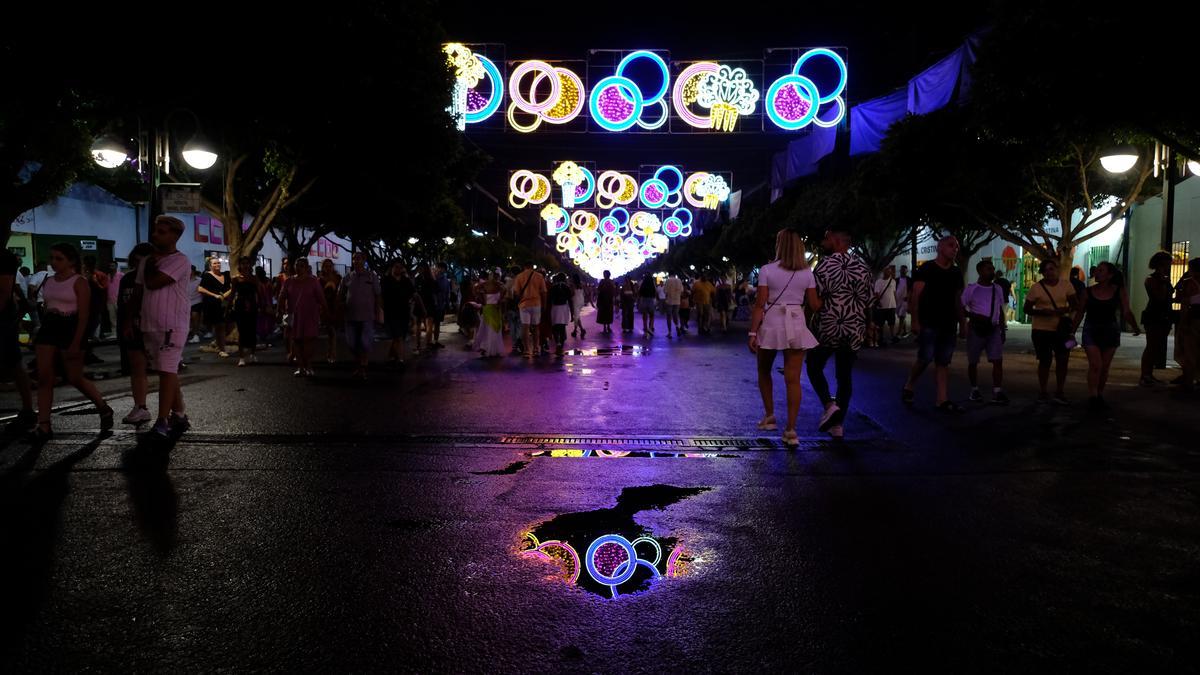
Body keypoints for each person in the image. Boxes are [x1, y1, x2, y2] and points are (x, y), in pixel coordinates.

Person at [28, 243, 114, 441]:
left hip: (71, 327)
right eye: (52, 258)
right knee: (44, 377)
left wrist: (77, 342)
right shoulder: (48, 281)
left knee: (74, 377)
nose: (54, 262)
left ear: (71, 261)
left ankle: (102, 407)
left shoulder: (79, 282)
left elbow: (84, 315)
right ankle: (43, 425)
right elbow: (47, 305)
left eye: (59, 258)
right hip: (50, 326)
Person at [748, 229, 822, 448]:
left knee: (763, 370)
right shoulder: (807, 272)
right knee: (793, 379)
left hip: (771, 322)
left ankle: (770, 416)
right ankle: (791, 430)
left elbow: (760, 304)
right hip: (796, 322)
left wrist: (753, 332)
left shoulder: (767, 270)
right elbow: (815, 304)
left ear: (779, 245)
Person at [806, 229, 872, 440]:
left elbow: (815, 299)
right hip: (854, 328)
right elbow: (869, 300)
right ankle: (838, 424)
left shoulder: (825, 265)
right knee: (844, 376)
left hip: (830, 325)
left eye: (827, 238)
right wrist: (867, 325)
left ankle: (829, 404)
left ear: (836, 240)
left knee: (814, 366)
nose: (824, 242)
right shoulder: (862, 266)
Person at [137, 216, 195, 439]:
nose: (155, 235)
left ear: (174, 236)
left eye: (161, 232)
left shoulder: (180, 261)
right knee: (165, 370)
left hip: (173, 324)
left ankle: (162, 420)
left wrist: (150, 265)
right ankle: (179, 413)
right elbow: (139, 290)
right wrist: (129, 320)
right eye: (155, 231)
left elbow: (153, 282)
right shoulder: (147, 261)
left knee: (167, 370)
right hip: (149, 324)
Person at [902, 236, 966, 412]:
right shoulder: (926, 269)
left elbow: (957, 300)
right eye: (951, 245)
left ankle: (942, 399)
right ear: (940, 247)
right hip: (929, 321)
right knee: (925, 358)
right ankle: (909, 384)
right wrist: (915, 321)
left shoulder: (955, 273)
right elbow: (915, 296)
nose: (955, 249)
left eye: (957, 246)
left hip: (949, 323)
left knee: (943, 362)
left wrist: (963, 322)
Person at [1074, 261, 1141, 409]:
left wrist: (1136, 327)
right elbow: (1079, 313)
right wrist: (1071, 332)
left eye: (1101, 271)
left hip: (1110, 330)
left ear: (1110, 275)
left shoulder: (1119, 290)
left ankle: (1099, 393)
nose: (1096, 273)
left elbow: (1126, 311)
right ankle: (1093, 395)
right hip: (1091, 330)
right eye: (1096, 270)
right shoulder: (1087, 291)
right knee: (1096, 365)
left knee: (1104, 367)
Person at [1024, 258, 1078, 405]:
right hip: (1041, 330)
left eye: (1052, 269)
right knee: (1044, 361)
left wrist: (1064, 309)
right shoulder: (1036, 288)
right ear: (1042, 272)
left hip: (1061, 329)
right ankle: (1043, 390)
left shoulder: (1066, 285)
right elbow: (1027, 309)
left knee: (1063, 360)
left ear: (1057, 270)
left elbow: (1075, 304)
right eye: (1046, 270)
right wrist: (1042, 312)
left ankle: (1060, 391)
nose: (1049, 272)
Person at [117, 243, 156, 425]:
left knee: (165, 370)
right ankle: (140, 406)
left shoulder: (156, 279)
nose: (139, 263)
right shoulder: (127, 279)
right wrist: (125, 325)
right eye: (137, 259)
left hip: (153, 328)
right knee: (137, 368)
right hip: (133, 328)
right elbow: (123, 305)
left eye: (143, 260)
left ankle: (174, 410)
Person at [962, 260, 1009, 405]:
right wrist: (973, 317)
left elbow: (1000, 310)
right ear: (980, 271)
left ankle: (997, 391)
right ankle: (974, 390)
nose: (992, 271)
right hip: (976, 329)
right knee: (973, 361)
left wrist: (1002, 329)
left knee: (997, 361)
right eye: (989, 269)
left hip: (993, 329)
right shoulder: (972, 289)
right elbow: (962, 307)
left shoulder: (997, 288)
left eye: (993, 269)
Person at [1, 245, 36, 432]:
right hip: (8, 314)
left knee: (14, 362)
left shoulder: (4, 259)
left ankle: (28, 410)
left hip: (4, 317)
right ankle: (28, 410)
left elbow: (5, 290)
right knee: (14, 362)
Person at [280, 258, 327, 377]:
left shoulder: (313, 281)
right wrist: (279, 310)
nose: (298, 267)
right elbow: (282, 296)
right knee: (296, 340)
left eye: (301, 265)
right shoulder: (289, 281)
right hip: (293, 315)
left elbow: (321, 297)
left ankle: (308, 365)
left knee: (308, 341)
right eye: (297, 265)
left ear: (306, 267)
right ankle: (300, 367)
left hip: (310, 315)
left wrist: (326, 311)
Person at [339, 252, 382, 379]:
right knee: (352, 343)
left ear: (364, 260)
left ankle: (363, 366)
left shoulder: (371, 276)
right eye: (354, 259)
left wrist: (378, 311)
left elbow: (378, 294)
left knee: (365, 342)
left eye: (359, 259)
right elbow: (340, 295)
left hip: (367, 316)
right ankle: (359, 364)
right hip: (350, 316)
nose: (356, 261)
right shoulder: (347, 277)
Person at [1140, 251, 1174, 386]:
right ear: (1161, 263)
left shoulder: (1162, 278)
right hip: (1154, 315)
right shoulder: (1152, 279)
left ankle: (1148, 374)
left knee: (1157, 346)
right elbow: (1159, 297)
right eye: (1167, 263)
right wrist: (1164, 284)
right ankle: (1145, 375)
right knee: (1151, 346)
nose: (1169, 266)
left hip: (1163, 315)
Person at [229, 257, 264, 368]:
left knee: (252, 330)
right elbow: (232, 293)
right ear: (240, 265)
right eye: (243, 263)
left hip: (252, 305)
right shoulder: (235, 279)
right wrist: (228, 307)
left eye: (247, 263)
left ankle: (253, 354)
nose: (245, 265)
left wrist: (262, 306)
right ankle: (241, 357)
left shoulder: (254, 278)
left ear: (250, 265)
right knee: (241, 331)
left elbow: (259, 293)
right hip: (240, 305)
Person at [381, 261, 418, 365]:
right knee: (398, 336)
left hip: (404, 312)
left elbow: (413, 293)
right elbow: (381, 296)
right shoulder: (386, 280)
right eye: (396, 267)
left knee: (398, 336)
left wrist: (412, 305)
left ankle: (391, 355)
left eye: (400, 267)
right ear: (392, 268)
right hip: (391, 312)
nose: (398, 269)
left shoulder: (406, 281)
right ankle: (401, 359)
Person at [511, 260, 548, 357]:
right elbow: (544, 292)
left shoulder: (519, 277)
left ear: (524, 267)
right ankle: (536, 349)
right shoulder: (539, 276)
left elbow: (516, 293)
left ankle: (527, 350)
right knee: (536, 327)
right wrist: (544, 305)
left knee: (525, 327)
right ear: (532, 266)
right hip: (536, 304)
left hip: (524, 305)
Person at [1175, 258, 1200, 391]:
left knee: (1189, 351)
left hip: (1193, 320)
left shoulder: (1190, 283)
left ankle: (1188, 381)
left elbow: (1185, 305)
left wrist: (1183, 323)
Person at [198, 257, 231, 357]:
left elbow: (232, 287)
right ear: (210, 266)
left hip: (225, 304)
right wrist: (214, 295)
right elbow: (200, 289)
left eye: (218, 263)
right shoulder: (207, 276)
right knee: (219, 326)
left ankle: (219, 343)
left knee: (227, 326)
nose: (217, 265)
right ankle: (222, 349)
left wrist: (224, 296)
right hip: (213, 304)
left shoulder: (226, 275)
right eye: (214, 263)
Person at [474, 269, 505, 358]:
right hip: (494, 308)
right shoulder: (499, 284)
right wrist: (499, 300)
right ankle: (491, 348)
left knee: (488, 329)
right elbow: (505, 289)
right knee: (493, 329)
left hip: (488, 308)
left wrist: (480, 297)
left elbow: (475, 288)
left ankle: (486, 347)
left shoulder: (486, 284)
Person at [318, 258, 343, 364]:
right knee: (330, 330)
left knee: (332, 330)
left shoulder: (338, 278)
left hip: (335, 305)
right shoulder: (320, 280)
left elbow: (342, 291)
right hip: (325, 306)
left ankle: (331, 353)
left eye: (330, 266)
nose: (328, 268)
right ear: (323, 267)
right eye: (326, 266)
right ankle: (331, 353)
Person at [871, 265, 899, 346]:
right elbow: (876, 293)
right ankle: (881, 338)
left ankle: (892, 336)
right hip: (882, 306)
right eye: (887, 271)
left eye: (890, 271)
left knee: (892, 322)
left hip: (891, 305)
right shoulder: (879, 281)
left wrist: (896, 303)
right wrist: (878, 301)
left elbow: (894, 292)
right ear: (884, 272)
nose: (889, 272)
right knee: (881, 323)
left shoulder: (893, 281)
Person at [549, 273, 574, 356]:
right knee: (562, 327)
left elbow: (550, 300)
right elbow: (570, 300)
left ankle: (558, 343)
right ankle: (561, 345)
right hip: (564, 308)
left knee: (555, 327)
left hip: (555, 308)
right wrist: (572, 313)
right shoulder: (567, 287)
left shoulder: (553, 287)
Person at [429, 263, 451, 348]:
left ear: (445, 270)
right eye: (439, 268)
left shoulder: (446, 280)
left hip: (440, 305)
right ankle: (430, 341)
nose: (440, 270)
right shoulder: (432, 278)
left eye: (442, 268)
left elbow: (447, 293)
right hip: (431, 304)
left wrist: (447, 304)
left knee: (437, 324)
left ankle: (435, 341)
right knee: (430, 323)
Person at [663, 271, 683, 337]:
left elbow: (665, 291)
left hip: (669, 301)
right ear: (674, 274)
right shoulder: (679, 280)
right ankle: (677, 327)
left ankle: (670, 333)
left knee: (669, 317)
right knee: (675, 315)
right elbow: (682, 290)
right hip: (677, 301)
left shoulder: (668, 281)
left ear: (669, 275)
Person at [106, 261, 122, 340]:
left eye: (113, 265)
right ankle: (114, 333)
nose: (111, 267)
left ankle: (121, 333)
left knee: (120, 318)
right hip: (109, 300)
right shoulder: (107, 276)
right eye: (110, 266)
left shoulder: (121, 275)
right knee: (112, 318)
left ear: (116, 266)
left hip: (118, 300)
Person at [895, 264, 911, 338]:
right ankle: (905, 331)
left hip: (905, 300)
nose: (903, 271)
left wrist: (909, 297)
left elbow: (911, 290)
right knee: (900, 315)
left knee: (902, 316)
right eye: (902, 270)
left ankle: (899, 332)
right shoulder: (896, 280)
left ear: (906, 271)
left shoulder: (909, 280)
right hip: (897, 300)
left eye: (904, 270)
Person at [570, 273, 587, 340]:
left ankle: (576, 330)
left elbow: (572, 293)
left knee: (576, 316)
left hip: (575, 300)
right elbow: (585, 292)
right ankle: (581, 330)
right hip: (581, 300)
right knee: (577, 316)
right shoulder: (581, 284)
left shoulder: (573, 284)